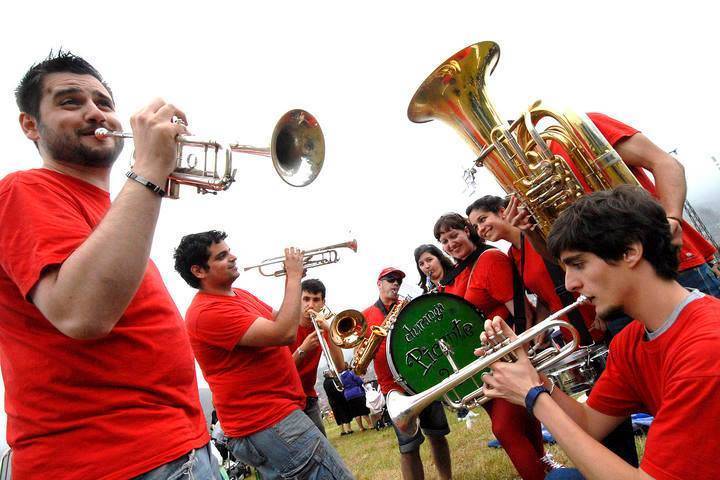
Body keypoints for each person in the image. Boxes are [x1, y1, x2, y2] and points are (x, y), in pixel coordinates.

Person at [0, 51, 213, 479]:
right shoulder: (23, 190)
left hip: (168, 449)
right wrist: (150, 169)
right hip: (117, 459)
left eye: (103, 102)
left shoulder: (113, 209)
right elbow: (82, 311)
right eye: (70, 102)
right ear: (30, 125)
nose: (95, 112)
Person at [480, 185, 720, 480]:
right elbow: (591, 423)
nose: (569, 284)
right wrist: (532, 377)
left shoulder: (707, 350)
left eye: (579, 264)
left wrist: (535, 398)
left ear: (630, 251)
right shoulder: (632, 339)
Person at [467, 195, 640, 466]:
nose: (480, 229)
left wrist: (600, 311)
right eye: (475, 226)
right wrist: (540, 328)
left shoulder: (536, 235)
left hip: (595, 323)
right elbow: (544, 296)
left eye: (482, 219)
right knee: (603, 406)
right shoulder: (513, 255)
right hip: (575, 332)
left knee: (621, 399)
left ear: (502, 211)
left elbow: (576, 271)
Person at [173, 230, 354, 480]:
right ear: (199, 271)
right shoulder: (207, 311)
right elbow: (284, 333)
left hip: (271, 419)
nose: (233, 257)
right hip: (269, 420)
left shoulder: (240, 295)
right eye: (222, 256)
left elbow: (278, 320)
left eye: (229, 251)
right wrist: (293, 277)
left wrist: (297, 290)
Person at [433, 213, 553, 480]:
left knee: (505, 428)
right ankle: (545, 466)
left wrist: (521, 355)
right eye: (444, 241)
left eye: (454, 235)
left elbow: (521, 313)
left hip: (504, 356)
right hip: (481, 362)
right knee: (523, 418)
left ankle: (540, 472)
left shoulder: (489, 259)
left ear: (468, 230)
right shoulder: (459, 272)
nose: (450, 244)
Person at [362, 267, 452, 480]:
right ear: (379, 283)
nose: (395, 284)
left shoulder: (409, 307)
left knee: (437, 436)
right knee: (408, 447)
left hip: (421, 378)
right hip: (393, 388)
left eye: (399, 282)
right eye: (391, 280)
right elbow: (361, 353)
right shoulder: (366, 315)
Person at [290, 278, 346, 436]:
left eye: (316, 300)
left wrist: (330, 330)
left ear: (323, 303)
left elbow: (340, 366)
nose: (310, 305)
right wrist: (303, 349)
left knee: (321, 441)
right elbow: (282, 371)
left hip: (308, 396)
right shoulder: (287, 326)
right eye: (306, 299)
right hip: (287, 398)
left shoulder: (322, 327)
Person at [339, 366, 372, 431]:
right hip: (357, 393)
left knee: (356, 413)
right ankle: (370, 425)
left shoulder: (340, 377)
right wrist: (362, 389)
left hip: (348, 395)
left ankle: (361, 427)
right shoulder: (351, 373)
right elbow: (359, 382)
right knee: (363, 411)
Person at [322, 370, 355, 436]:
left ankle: (342, 430)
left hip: (332, 401)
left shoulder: (324, 383)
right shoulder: (333, 380)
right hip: (340, 400)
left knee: (338, 415)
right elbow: (339, 389)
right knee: (345, 414)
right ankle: (348, 429)